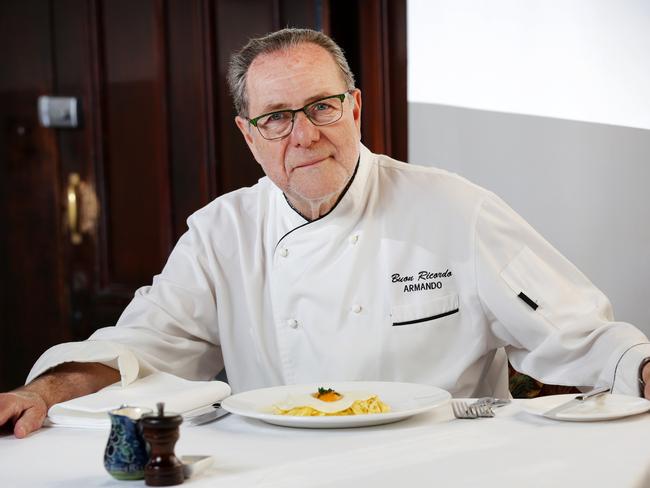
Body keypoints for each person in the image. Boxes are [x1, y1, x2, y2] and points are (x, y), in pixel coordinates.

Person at [2, 28, 649, 439]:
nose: (304, 135)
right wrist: (46, 390)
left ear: (355, 107)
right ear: (248, 135)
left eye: (321, 106)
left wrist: (640, 367)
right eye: (277, 118)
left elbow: (579, 333)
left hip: (445, 468)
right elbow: (146, 343)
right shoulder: (221, 232)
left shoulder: (456, 208)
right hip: (279, 473)